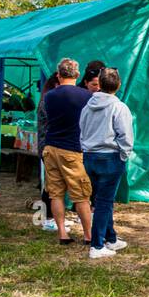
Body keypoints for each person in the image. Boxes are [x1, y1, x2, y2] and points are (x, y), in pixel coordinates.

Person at [80, 67, 134, 260]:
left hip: (89, 157)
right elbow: (126, 135)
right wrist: (124, 155)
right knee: (104, 202)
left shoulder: (87, 106)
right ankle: (97, 244)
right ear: (118, 85)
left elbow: (82, 130)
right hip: (110, 157)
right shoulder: (119, 108)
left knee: (101, 200)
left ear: (99, 84)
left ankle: (110, 238)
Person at [41, 59, 94, 245]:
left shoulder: (49, 96)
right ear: (78, 75)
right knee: (81, 194)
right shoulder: (86, 96)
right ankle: (88, 235)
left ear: (58, 74)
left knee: (55, 193)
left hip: (50, 147)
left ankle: (62, 233)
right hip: (72, 148)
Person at [35, 73, 61, 230]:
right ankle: (48, 218)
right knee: (51, 185)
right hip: (48, 146)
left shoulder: (47, 99)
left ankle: (50, 217)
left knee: (51, 184)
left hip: (48, 146)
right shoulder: (48, 101)